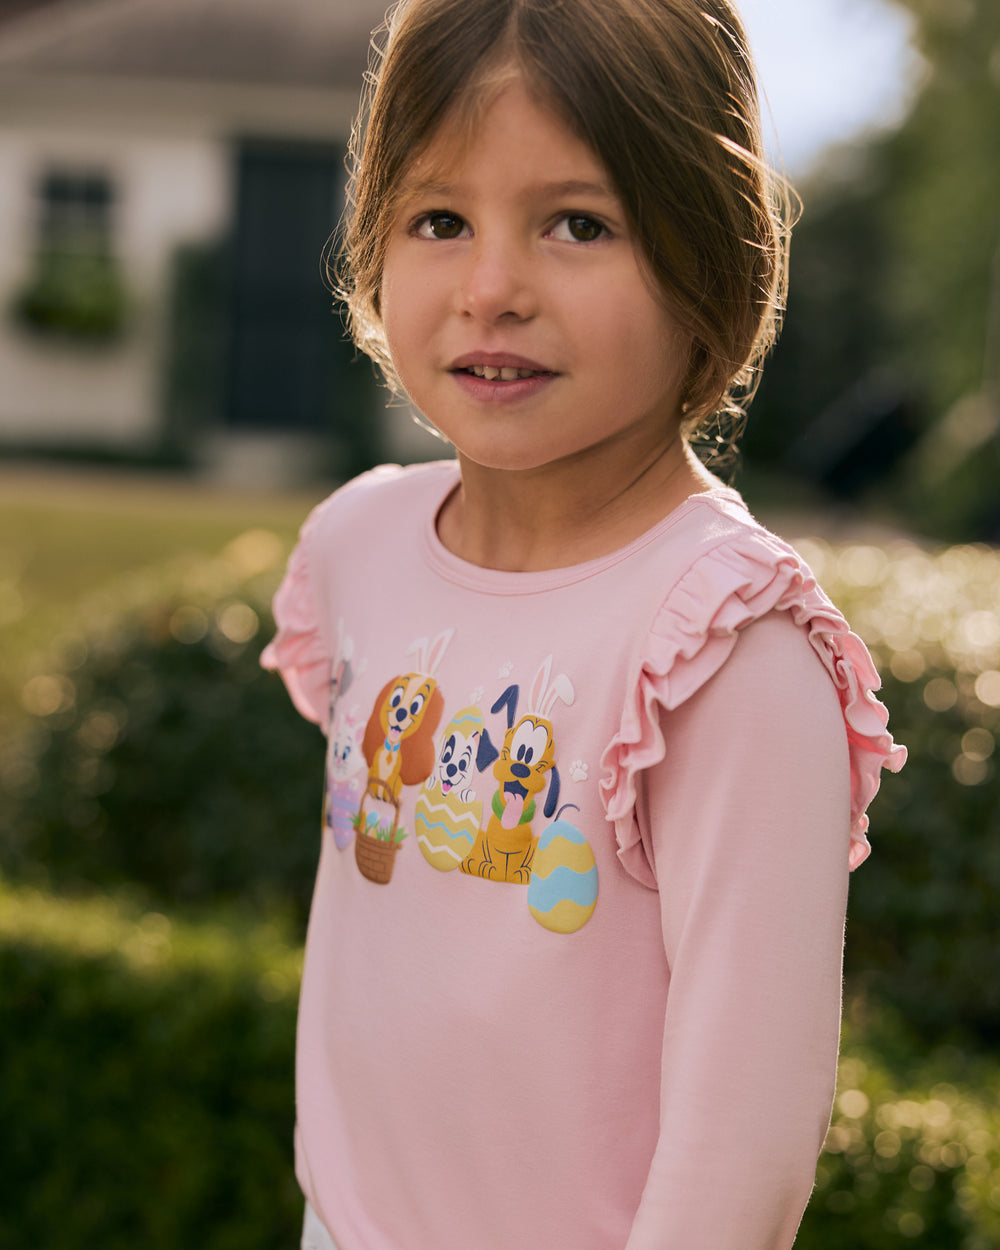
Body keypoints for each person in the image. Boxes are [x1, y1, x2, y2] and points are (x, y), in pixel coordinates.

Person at [262, 1, 906, 1247]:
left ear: (713, 258)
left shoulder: (726, 653)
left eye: (578, 224)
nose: (491, 289)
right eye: (438, 219)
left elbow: (742, 1158)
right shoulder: (358, 549)